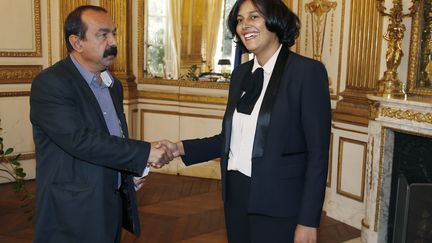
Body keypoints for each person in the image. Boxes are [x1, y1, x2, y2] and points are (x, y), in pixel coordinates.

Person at [159, 0, 331, 242]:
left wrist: (308, 220)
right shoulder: (240, 74)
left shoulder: (307, 73)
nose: (244, 25)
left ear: (275, 20)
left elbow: (318, 154)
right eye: (240, 20)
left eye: (254, 17)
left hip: (280, 202)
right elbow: (229, 140)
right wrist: (179, 148)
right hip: (236, 196)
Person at [29, 5, 173, 243]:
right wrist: (145, 152)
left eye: (113, 33)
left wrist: (129, 174)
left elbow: (112, 138)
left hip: (109, 203)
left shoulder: (112, 84)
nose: (113, 42)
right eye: (103, 35)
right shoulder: (51, 83)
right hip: (71, 210)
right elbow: (80, 140)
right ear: (77, 42)